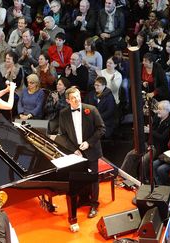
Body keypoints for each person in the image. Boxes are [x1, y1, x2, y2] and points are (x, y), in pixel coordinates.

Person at [54, 86, 105, 231]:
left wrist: (89, 142)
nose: (76, 99)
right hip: (75, 152)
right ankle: (82, 199)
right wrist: (74, 149)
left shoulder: (91, 109)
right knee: (77, 178)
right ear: (68, 100)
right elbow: (62, 135)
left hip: (91, 150)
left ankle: (94, 204)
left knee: (93, 178)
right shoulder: (63, 114)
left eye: (77, 96)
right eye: (73, 98)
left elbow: (101, 129)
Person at [121, 100, 170, 180]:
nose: (158, 111)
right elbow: (152, 131)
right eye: (158, 108)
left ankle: (144, 180)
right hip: (149, 143)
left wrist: (150, 131)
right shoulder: (157, 118)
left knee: (144, 160)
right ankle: (122, 175)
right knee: (130, 155)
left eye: (160, 109)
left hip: (159, 147)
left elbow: (163, 137)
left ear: (166, 110)